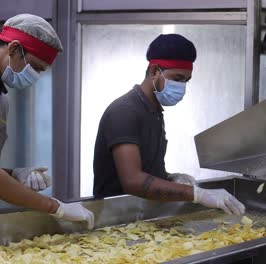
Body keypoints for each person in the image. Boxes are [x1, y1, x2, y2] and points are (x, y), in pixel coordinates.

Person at [93, 34, 245, 215]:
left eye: (186, 81)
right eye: (177, 78)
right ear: (154, 71)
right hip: (115, 219)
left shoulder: (153, 112)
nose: (182, 87)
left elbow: (145, 170)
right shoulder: (124, 112)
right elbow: (133, 181)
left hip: (141, 216)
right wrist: (197, 194)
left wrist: (169, 178)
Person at [0, 14, 94, 228]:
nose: (34, 76)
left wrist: (14, 174)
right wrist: (55, 207)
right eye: (34, 67)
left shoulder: (2, 99)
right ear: (14, 49)